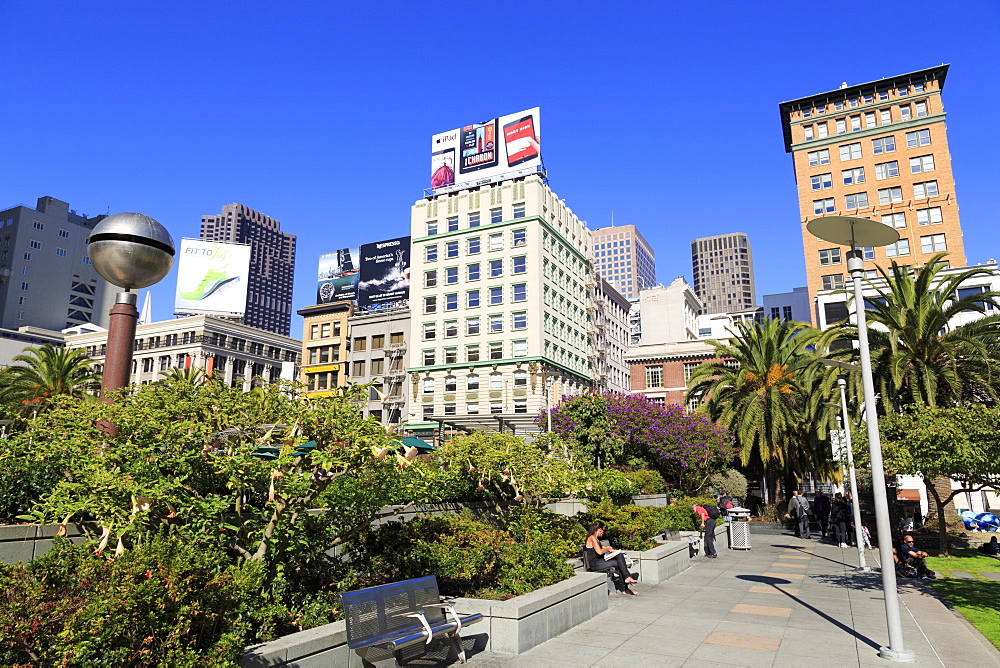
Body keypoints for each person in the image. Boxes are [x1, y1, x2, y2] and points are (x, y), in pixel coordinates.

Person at [584, 521, 639, 595]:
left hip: (601, 561)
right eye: (603, 530)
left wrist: (609, 551)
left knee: (620, 556)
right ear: (599, 529)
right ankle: (625, 586)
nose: (603, 532)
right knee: (620, 564)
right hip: (595, 564)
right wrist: (607, 548)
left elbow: (600, 549)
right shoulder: (592, 537)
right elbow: (599, 552)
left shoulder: (596, 539)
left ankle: (626, 581)